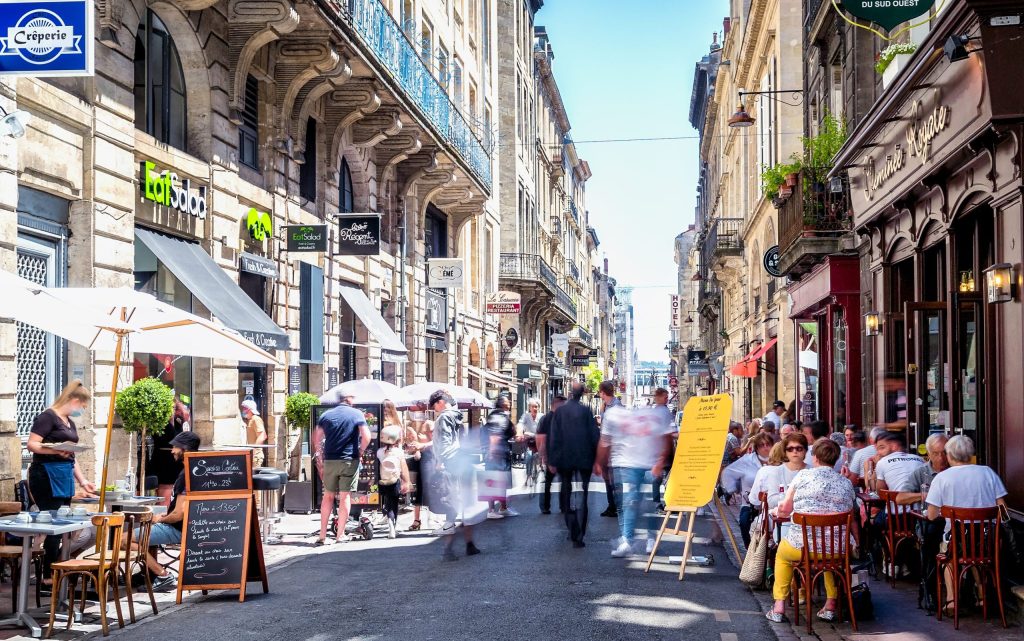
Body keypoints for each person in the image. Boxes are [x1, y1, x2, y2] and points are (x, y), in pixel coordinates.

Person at [767, 439, 856, 623]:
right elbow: (851, 512)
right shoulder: (846, 483)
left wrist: (777, 511)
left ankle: (779, 606)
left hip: (802, 549)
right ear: (836, 459)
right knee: (828, 556)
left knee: (782, 555)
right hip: (837, 550)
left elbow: (785, 509)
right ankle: (830, 604)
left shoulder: (802, 476)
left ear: (814, 457)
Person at [926, 435, 1007, 612]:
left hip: (957, 543)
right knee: (976, 553)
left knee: (948, 556)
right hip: (987, 542)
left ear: (949, 455)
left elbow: (931, 516)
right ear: (971, 454)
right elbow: (1003, 509)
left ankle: (952, 601)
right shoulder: (988, 472)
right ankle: (982, 596)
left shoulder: (942, 478)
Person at [26, 380, 97, 579]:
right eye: (82, 405)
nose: (81, 409)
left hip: (64, 475)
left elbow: (71, 457)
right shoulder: (48, 417)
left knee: (64, 522)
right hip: (46, 475)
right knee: (54, 523)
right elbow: (32, 444)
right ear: (73, 400)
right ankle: (48, 575)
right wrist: (55, 450)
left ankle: (57, 566)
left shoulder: (69, 422)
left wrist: (83, 481)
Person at [125, 431, 201, 592]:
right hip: (192, 527)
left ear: (185, 449)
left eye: (175, 447)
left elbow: (179, 514)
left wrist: (160, 519)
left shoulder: (186, 474)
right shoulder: (196, 470)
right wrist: (165, 516)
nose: (172, 451)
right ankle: (147, 572)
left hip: (178, 529)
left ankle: (163, 575)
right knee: (146, 532)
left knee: (123, 539)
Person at [598, 404, 675, 558]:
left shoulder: (658, 415)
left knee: (647, 505)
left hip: (650, 465)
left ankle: (650, 539)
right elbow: (607, 441)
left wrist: (660, 462)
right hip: (630, 466)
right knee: (630, 502)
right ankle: (628, 540)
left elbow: (666, 438)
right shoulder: (617, 416)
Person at [313, 394, 371, 545]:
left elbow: (317, 436)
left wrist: (320, 454)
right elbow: (367, 436)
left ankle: (322, 536)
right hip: (349, 460)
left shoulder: (326, 415)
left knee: (328, 496)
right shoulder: (356, 414)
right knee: (345, 497)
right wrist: (360, 451)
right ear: (350, 400)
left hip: (330, 460)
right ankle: (340, 535)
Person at [429, 390, 480, 560]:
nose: (435, 410)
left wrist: (440, 462)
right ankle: (470, 544)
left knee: (451, 503)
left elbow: (444, 441)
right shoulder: (457, 415)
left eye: (434, 406)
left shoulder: (444, 417)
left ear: (440, 402)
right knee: (465, 503)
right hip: (462, 461)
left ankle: (448, 550)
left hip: (450, 463)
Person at [548, 382, 601, 548]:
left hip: (565, 459)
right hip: (584, 458)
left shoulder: (560, 411)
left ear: (571, 393)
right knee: (583, 496)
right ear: (582, 394)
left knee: (566, 492)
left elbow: (554, 436)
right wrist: (597, 460)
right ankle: (580, 535)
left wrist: (552, 460)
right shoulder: (586, 411)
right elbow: (594, 435)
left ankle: (572, 528)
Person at [721, 432, 775, 546]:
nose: (765, 448)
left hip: (772, 504)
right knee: (744, 522)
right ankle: (749, 549)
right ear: (757, 448)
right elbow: (728, 473)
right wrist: (733, 489)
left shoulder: (777, 460)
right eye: (761, 445)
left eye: (768, 444)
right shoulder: (747, 460)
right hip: (750, 503)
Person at [749, 433, 809, 511]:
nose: (794, 451)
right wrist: (795, 494)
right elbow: (772, 502)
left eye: (799, 448)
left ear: (805, 450)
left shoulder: (813, 471)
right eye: (790, 449)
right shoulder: (776, 472)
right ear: (785, 452)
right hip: (782, 516)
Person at [150, 397, 189, 507]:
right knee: (165, 485)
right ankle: (164, 509)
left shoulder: (179, 422)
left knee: (174, 485)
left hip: (176, 459)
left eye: (173, 408)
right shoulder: (159, 424)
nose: (171, 410)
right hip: (163, 458)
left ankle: (171, 507)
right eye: (169, 408)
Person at [484, 396, 518, 518]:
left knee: (501, 482)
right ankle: (491, 511)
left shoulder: (500, 415)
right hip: (497, 455)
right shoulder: (498, 417)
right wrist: (492, 452)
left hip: (500, 453)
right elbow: (494, 435)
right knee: (493, 482)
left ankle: (503, 508)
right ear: (503, 404)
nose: (510, 402)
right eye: (507, 401)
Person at [377, 425, 410, 539]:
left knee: (387, 502)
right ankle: (392, 526)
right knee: (394, 504)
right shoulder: (399, 452)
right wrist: (407, 482)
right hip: (394, 481)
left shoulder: (379, 452)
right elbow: (404, 469)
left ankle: (389, 520)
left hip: (383, 481)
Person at [535, 395, 566, 514]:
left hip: (562, 456)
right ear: (556, 405)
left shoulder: (560, 418)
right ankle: (549, 506)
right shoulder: (547, 419)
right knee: (549, 482)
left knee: (561, 482)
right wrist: (544, 457)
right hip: (552, 456)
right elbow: (541, 439)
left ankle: (552, 506)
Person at [404, 411, 433, 531]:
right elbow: (410, 443)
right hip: (418, 459)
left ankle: (432, 518)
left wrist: (422, 446)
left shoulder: (429, 424)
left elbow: (436, 441)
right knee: (419, 490)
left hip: (429, 458)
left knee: (429, 487)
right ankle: (417, 520)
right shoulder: (411, 424)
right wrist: (412, 448)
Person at [597, 380, 622, 518]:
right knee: (608, 479)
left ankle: (617, 507)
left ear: (602, 392)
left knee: (614, 480)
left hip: (613, 448)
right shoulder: (606, 406)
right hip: (608, 448)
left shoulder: (616, 406)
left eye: (600, 392)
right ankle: (612, 506)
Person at [650, 388, 676, 509]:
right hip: (665, 450)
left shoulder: (656, 412)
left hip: (658, 450)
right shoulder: (664, 412)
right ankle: (667, 502)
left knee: (660, 478)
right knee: (667, 478)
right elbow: (669, 432)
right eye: (665, 397)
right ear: (658, 397)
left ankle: (659, 502)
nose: (667, 399)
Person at [241, 399, 267, 467]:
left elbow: (262, 436)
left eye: (245, 408)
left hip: (255, 456)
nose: (243, 410)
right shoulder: (249, 420)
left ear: (250, 410)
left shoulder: (256, 419)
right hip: (250, 454)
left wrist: (254, 451)